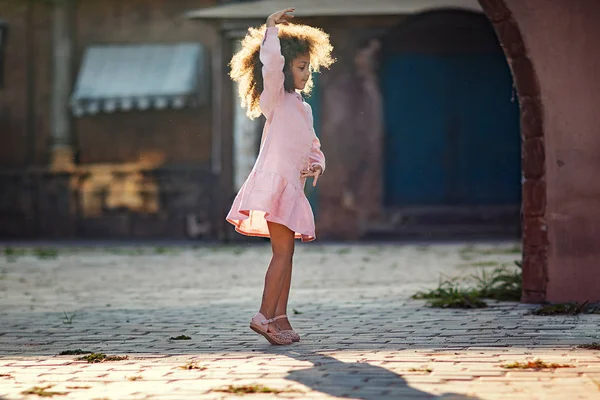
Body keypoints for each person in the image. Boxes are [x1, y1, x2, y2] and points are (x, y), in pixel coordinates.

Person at [227, 8, 335, 345]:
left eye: (308, 68)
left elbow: (312, 144)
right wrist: (270, 29)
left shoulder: (303, 107)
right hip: (276, 185)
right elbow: (270, 65)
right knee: (281, 254)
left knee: (287, 255)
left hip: (292, 187)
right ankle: (263, 316)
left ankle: (280, 315)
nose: (306, 73)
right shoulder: (274, 98)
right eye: (301, 67)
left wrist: (317, 163)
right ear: (286, 68)